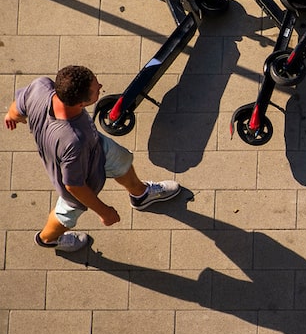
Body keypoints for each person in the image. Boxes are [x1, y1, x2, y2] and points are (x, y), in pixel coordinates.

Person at [4, 65, 181, 253]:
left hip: (95, 145)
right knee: (68, 212)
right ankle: (48, 239)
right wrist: (105, 212)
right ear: (81, 104)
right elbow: (74, 185)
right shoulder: (73, 140)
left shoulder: (41, 86)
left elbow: (17, 107)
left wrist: (12, 116)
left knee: (121, 160)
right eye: (97, 89)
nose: (100, 86)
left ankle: (141, 195)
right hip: (81, 170)